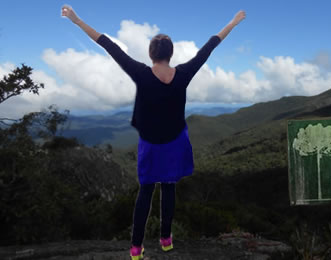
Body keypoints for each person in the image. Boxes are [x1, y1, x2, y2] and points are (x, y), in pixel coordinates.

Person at [61, 5, 245, 259]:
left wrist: (77, 20)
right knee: (169, 189)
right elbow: (210, 46)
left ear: (151, 54)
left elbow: (107, 44)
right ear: (170, 54)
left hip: (150, 144)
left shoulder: (141, 73)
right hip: (175, 142)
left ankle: (136, 248)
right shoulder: (184, 73)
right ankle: (166, 240)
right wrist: (233, 22)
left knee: (145, 192)